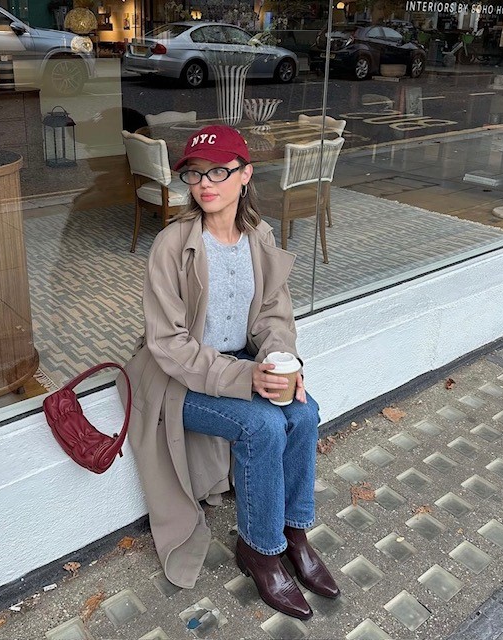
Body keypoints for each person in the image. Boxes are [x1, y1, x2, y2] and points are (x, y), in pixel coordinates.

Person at [117, 125, 339, 620]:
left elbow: (272, 318)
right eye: (195, 173)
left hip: (237, 363)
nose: (205, 183)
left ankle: (295, 533)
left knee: (305, 413)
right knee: (260, 425)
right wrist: (248, 381)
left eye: (219, 170)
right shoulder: (172, 246)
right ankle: (260, 550)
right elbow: (169, 345)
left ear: (245, 175)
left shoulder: (258, 237)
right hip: (174, 379)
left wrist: (284, 363)